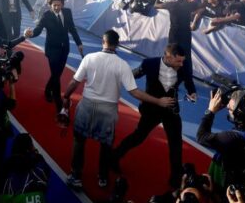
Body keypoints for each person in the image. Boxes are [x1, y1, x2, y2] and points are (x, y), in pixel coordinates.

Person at [62, 30, 181, 189]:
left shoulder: (89, 58)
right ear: (117, 44)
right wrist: (158, 101)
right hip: (108, 109)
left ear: (103, 42)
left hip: (87, 105)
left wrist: (66, 97)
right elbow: (135, 92)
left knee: (79, 140)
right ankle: (103, 177)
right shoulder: (122, 65)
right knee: (105, 144)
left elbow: (74, 82)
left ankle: (76, 176)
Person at [111, 43, 197, 188]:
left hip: (171, 109)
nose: (182, 64)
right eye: (178, 61)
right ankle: (114, 157)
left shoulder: (184, 65)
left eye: (183, 61)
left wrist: (192, 92)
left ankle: (175, 180)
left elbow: (189, 81)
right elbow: (132, 76)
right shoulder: (149, 64)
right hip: (151, 108)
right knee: (138, 137)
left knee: (176, 144)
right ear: (168, 56)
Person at [24, 0, 83, 114]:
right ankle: (59, 105)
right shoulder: (46, 15)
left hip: (64, 49)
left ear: (62, 5)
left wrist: (79, 43)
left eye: (59, 5)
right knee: (56, 77)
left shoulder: (67, 12)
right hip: (52, 50)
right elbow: (38, 29)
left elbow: (72, 28)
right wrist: (30, 34)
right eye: (54, 5)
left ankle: (47, 90)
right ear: (50, 5)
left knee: (57, 74)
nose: (56, 7)